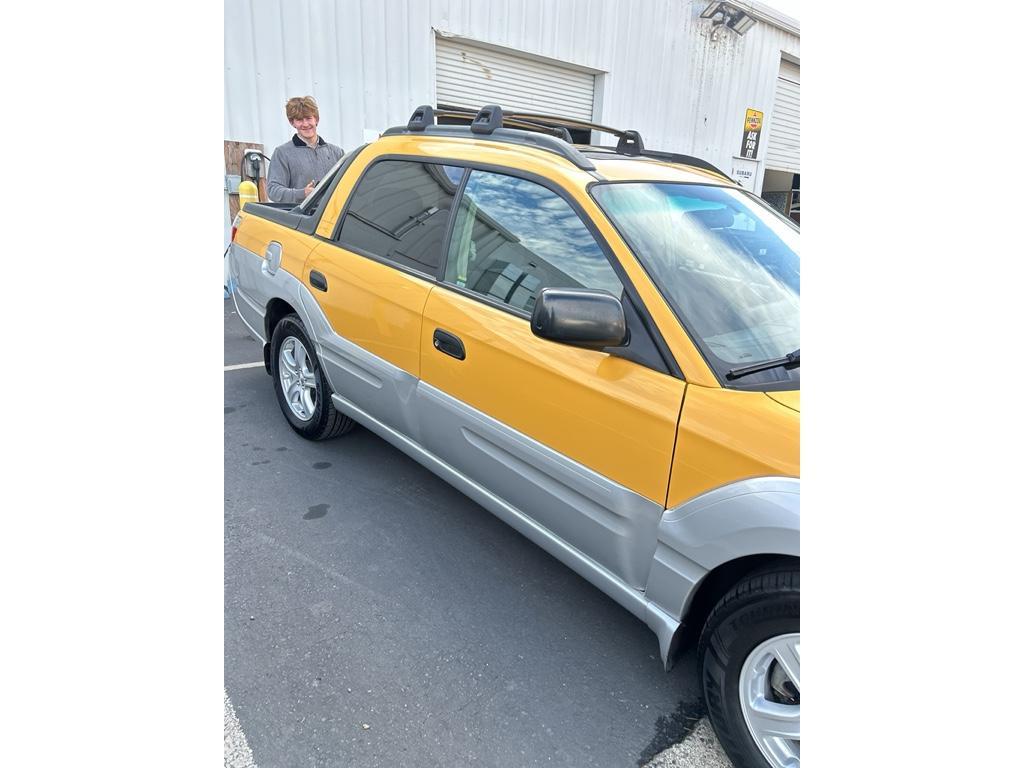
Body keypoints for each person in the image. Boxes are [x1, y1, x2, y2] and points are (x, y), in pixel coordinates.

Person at [266, 96, 344, 204]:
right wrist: (303, 193)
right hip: (300, 219)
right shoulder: (282, 153)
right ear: (292, 123)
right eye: (299, 120)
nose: (305, 124)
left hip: (334, 218)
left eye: (308, 118)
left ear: (316, 119)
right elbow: (273, 191)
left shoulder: (337, 153)